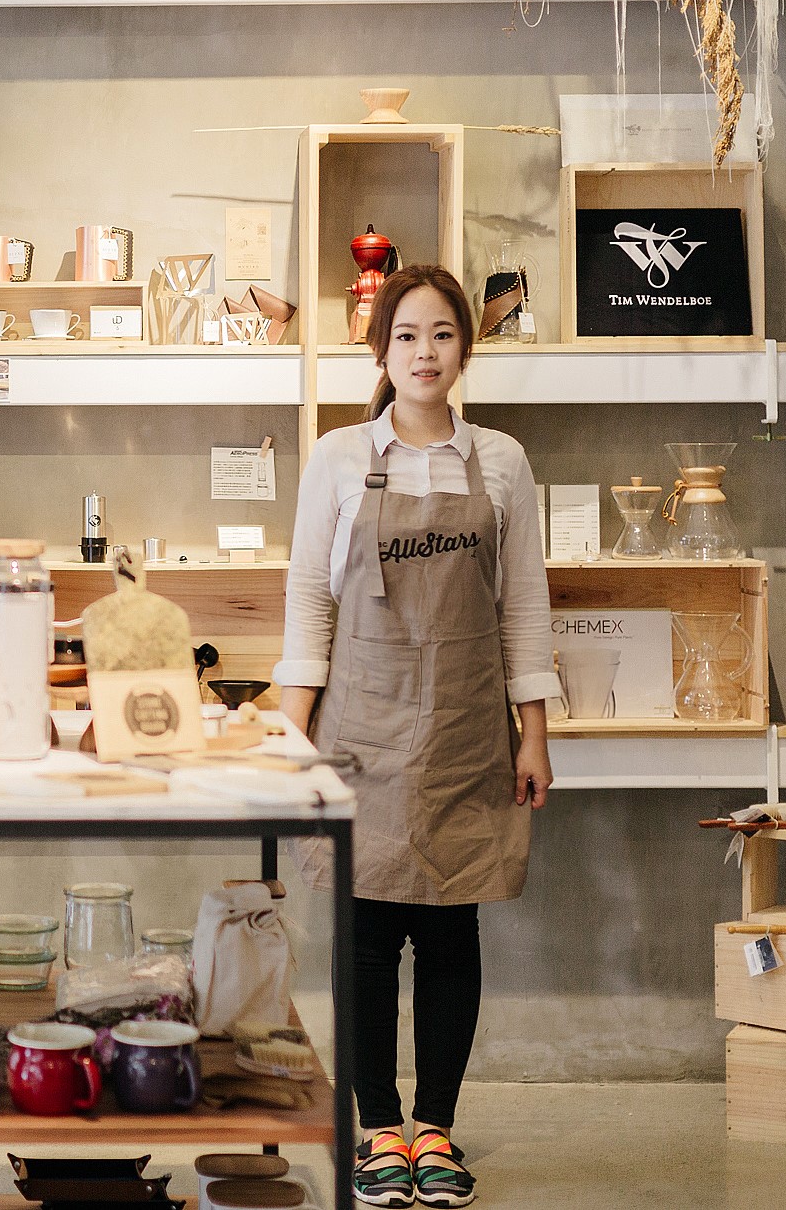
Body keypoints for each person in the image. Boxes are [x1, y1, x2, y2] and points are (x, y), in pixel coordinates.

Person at [274, 264, 557, 1209]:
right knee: (363, 936)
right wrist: (291, 738)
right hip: (358, 728)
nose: (424, 352)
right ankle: (375, 1128)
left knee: (448, 930)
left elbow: (525, 609)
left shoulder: (504, 462)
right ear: (381, 351)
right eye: (406, 336)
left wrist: (535, 732)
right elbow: (308, 608)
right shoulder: (336, 457)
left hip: (467, 732)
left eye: (441, 335)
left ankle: (435, 1127)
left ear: (463, 349)